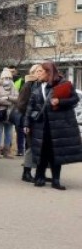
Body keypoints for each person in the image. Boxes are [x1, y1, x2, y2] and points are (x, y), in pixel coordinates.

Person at [25, 61, 82, 190]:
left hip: (58, 125)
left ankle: (56, 180)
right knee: (41, 152)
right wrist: (27, 123)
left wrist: (60, 101)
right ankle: (40, 177)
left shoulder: (63, 84)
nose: (37, 74)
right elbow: (30, 106)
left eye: (40, 71)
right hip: (41, 125)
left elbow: (75, 99)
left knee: (56, 153)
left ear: (48, 72)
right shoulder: (37, 86)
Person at [15, 64, 42, 182]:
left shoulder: (42, 85)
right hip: (30, 121)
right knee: (30, 147)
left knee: (37, 147)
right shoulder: (28, 85)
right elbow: (21, 104)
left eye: (42, 71)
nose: (40, 73)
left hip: (40, 121)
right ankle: (26, 173)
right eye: (37, 71)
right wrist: (31, 115)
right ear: (32, 73)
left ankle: (38, 172)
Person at [0, 68, 18, 159]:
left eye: (9, 78)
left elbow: (17, 99)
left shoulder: (14, 87)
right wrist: (10, 100)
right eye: (5, 77)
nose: (7, 79)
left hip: (10, 113)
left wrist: (6, 97)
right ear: (1, 78)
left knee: (9, 132)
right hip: (0, 112)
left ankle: (7, 151)